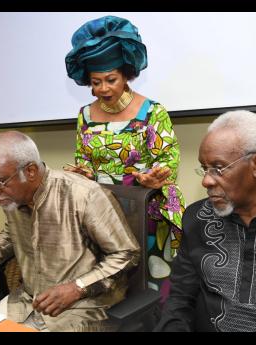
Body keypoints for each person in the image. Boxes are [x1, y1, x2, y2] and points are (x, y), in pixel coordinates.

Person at [0, 131, 140, 332]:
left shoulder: (84, 195)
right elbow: (12, 234)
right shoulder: (13, 197)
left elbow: (127, 253)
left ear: (30, 171)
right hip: (26, 301)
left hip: (82, 308)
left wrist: (77, 287)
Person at [155, 110, 256, 332]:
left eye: (218, 168)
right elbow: (180, 300)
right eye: (204, 168)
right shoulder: (197, 219)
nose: (206, 180)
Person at [64, 15, 185, 299]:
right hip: (103, 213)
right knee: (114, 289)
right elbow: (84, 160)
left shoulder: (152, 112)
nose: (103, 89)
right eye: (96, 82)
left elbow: (168, 159)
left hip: (147, 209)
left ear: (126, 75)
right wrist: (80, 173)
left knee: (153, 287)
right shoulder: (84, 115)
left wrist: (155, 177)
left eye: (110, 80)